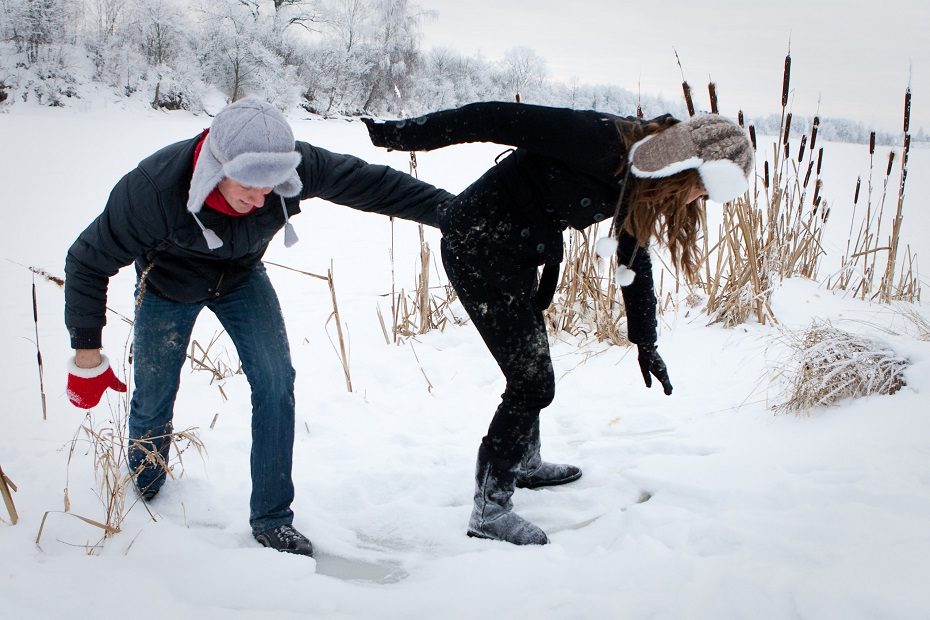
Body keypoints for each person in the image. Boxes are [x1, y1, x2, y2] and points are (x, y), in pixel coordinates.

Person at [64, 97, 453, 557]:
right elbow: (87, 260)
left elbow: (370, 184)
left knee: (275, 383)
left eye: (272, 187)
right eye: (249, 184)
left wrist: (455, 213)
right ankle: (145, 488)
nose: (260, 199)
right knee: (154, 396)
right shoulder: (152, 189)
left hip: (242, 277)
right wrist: (86, 355)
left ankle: (271, 517)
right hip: (168, 286)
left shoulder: (292, 165)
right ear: (216, 164)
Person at [363, 102, 753, 545]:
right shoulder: (602, 140)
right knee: (532, 383)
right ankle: (490, 510)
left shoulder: (641, 176)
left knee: (531, 366)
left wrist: (646, 340)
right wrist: (401, 135)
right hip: (478, 246)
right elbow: (495, 118)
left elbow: (633, 256)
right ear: (690, 167)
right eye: (703, 190)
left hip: (518, 251)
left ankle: (525, 464)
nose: (699, 200)